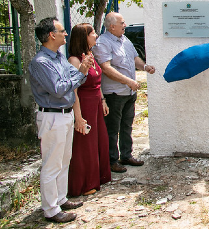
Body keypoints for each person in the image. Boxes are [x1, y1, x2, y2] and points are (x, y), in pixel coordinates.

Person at [29, 17, 93, 223]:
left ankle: (60, 198)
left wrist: (81, 70)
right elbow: (58, 89)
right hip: (52, 116)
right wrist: (79, 73)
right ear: (51, 35)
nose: (66, 34)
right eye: (62, 31)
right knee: (52, 163)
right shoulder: (41, 62)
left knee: (64, 160)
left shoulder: (58, 57)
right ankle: (50, 209)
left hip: (65, 114)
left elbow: (73, 80)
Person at [92, 12, 156, 173]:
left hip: (128, 92)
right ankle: (111, 160)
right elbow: (106, 68)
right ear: (112, 26)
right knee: (112, 129)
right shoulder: (103, 43)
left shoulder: (125, 40)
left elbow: (135, 58)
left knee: (127, 125)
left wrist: (145, 67)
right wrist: (128, 81)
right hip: (114, 93)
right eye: (122, 22)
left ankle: (126, 155)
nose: (125, 25)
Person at [67, 23, 111, 196]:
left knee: (100, 140)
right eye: (92, 32)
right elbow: (74, 90)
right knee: (86, 144)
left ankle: (98, 176)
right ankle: (85, 183)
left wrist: (102, 100)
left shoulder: (91, 55)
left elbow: (97, 81)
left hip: (95, 103)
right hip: (83, 104)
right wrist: (78, 116)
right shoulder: (74, 60)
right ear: (83, 37)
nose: (96, 35)